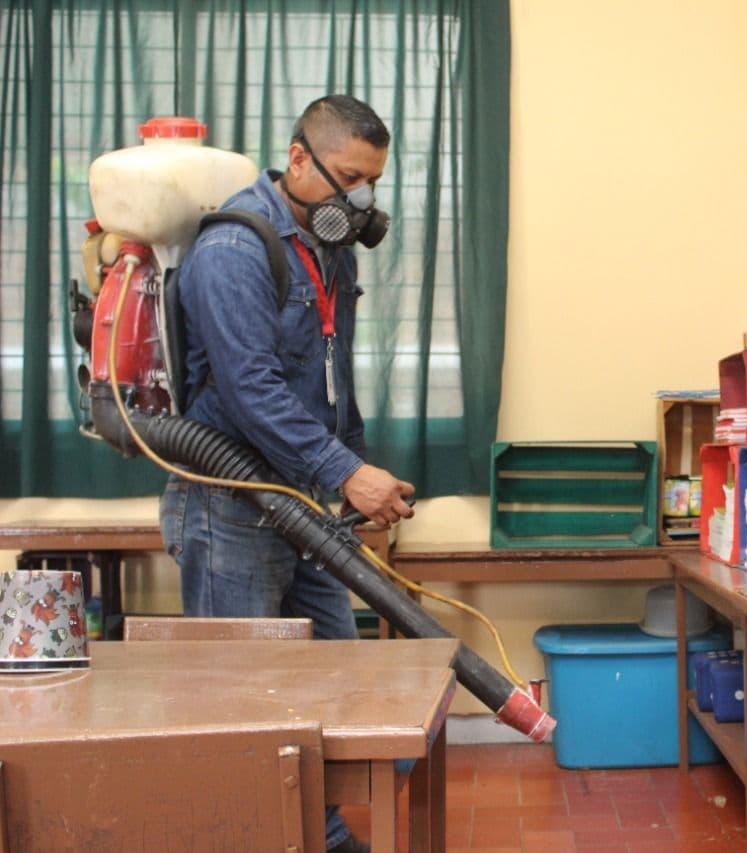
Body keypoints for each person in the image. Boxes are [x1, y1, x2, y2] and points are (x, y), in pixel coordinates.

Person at [160, 94, 415, 853]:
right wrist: (346, 473)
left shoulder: (328, 248)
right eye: (349, 179)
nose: (360, 200)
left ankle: (320, 834)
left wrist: (355, 475)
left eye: (371, 183)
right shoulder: (234, 251)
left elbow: (331, 376)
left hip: (297, 502)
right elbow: (252, 391)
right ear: (298, 158)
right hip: (230, 504)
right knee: (246, 702)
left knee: (334, 680)